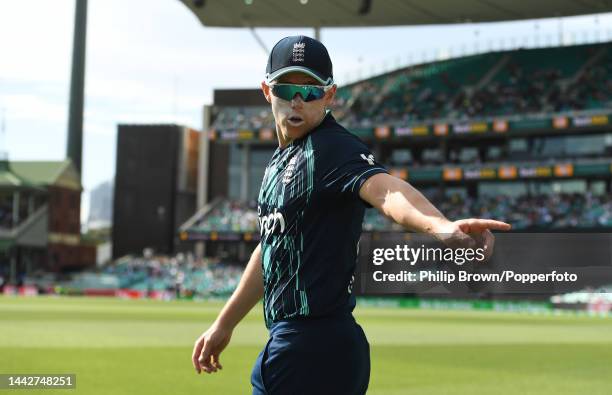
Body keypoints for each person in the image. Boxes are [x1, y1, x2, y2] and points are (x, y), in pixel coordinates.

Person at [192, 35, 511, 394]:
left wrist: (439, 226)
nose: (297, 101)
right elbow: (270, 252)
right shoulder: (279, 164)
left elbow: (386, 189)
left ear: (330, 96)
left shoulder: (332, 147)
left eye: (310, 91)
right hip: (316, 346)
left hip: (309, 347)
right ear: (267, 91)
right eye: (286, 88)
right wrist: (225, 323)